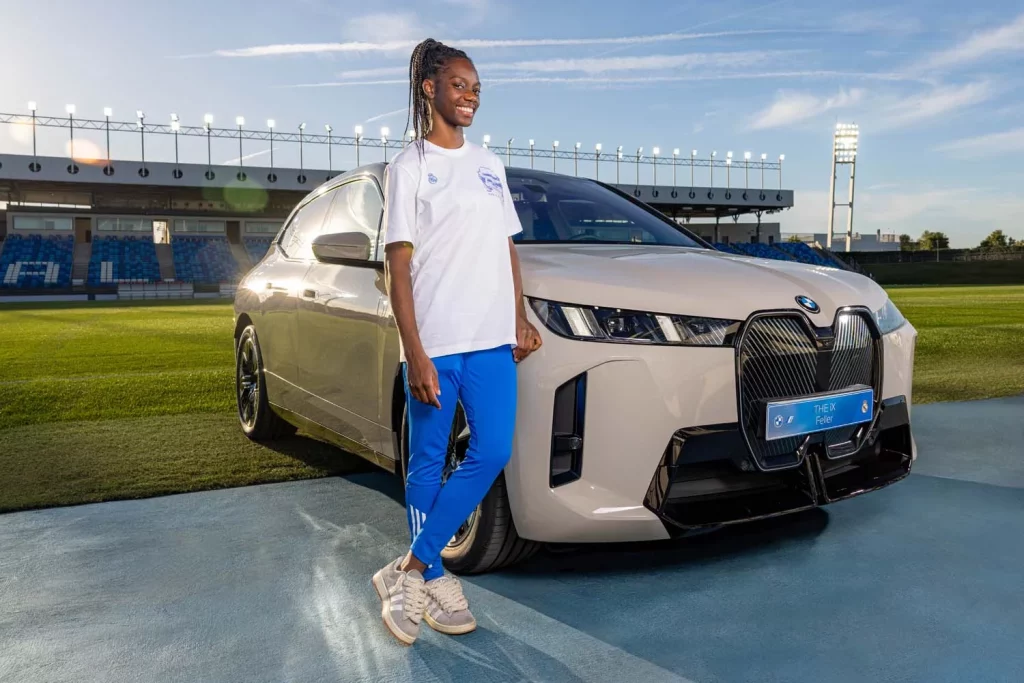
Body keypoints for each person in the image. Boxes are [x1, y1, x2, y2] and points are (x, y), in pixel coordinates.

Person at [371, 38, 543, 646]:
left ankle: (408, 570)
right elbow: (398, 266)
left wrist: (520, 317)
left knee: (492, 450)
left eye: (476, 88)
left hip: (493, 337)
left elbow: (506, 249)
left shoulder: (490, 165)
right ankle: (434, 579)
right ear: (429, 89)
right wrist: (413, 349)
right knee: (427, 460)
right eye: (459, 85)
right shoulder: (409, 166)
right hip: (437, 339)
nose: (470, 95)